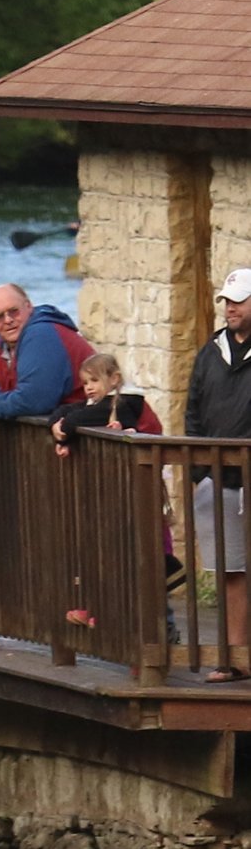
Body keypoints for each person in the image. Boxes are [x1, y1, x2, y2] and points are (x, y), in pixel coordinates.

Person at [184, 268, 251, 679]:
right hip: (219, 480)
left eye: (238, 301)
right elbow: (193, 411)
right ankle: (233, 659)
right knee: (229, 571)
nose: (229, 308)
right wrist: (198, 472)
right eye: (227, 301)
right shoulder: (210, 352)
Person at [0, 283, 93, 419]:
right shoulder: (0, 345)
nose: (8, 320)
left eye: (13, 311)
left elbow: (34, 401)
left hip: (92, 424)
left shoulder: (42, 334)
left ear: (28, 306)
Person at [51, 351, 163, 454]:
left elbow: (77, 419)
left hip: (147, 455)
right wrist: (55, 423)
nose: (89, 387)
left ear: (114, 379)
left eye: (94, 380)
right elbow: (66, 410)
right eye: (85, 383)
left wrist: (62, 438)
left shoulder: (122, 401)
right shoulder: (101, 400)